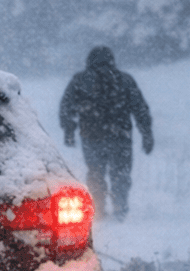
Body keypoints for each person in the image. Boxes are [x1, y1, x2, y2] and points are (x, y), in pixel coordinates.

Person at [59, 46, 153, 220]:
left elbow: (66, 107)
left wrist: (69, 130)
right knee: (121, 174)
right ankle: (120, 208)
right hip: (120, 137)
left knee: (95, 173)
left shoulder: (80, 80)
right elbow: (140, 108)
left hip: (92, 137)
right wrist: (146, 133)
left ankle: (98, 210)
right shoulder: (125, 80)